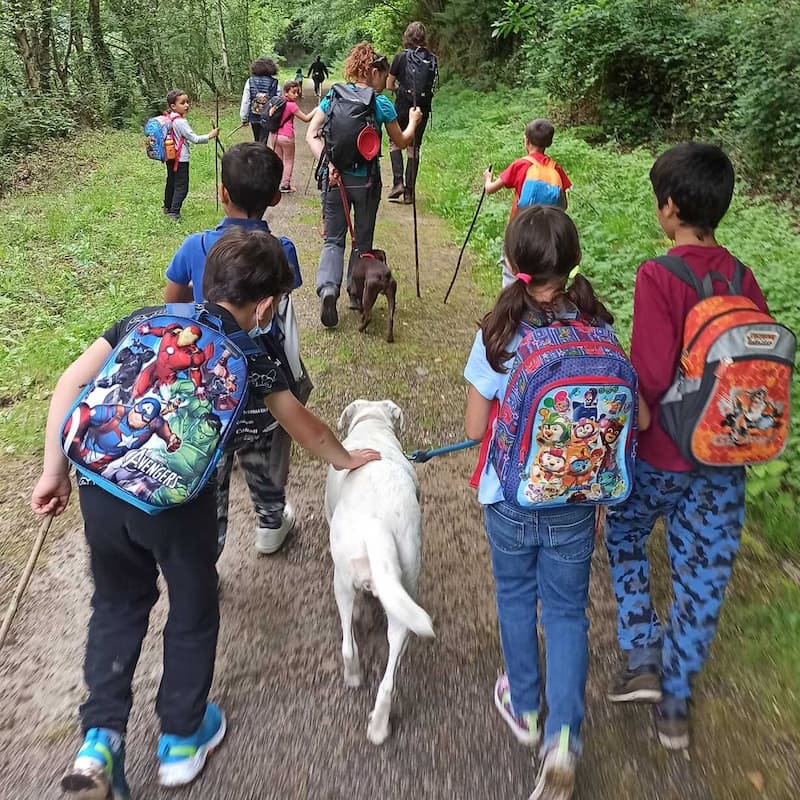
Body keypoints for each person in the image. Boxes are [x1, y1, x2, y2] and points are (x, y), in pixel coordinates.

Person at [32, 228, 380, 799]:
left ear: (204, 280)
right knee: (193, 609)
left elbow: (70, 382)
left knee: (117, 605)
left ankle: (99, 742)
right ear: (265, 305)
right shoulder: (254, 356)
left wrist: (54, 471)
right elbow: (305, 427)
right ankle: (181, 740)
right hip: (175, 505)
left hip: (100, 486)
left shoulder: (141, 320)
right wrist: (346, 458)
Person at [463, 206, 647, 800]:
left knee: (516, 595)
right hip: (577, 501)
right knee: (567, 613)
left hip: (512, 498)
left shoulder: (498, 331)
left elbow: (473, 427)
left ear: (513, 265)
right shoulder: (601, 329)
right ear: (572, 264)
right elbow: (637, 417)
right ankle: (565, 737)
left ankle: (525, 705)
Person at [604, 143, 769, 751]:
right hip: (725, 457)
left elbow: (646, 371)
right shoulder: (741, 276)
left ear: (669, 208)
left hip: (660, 452)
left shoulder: (658, 275)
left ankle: (642, 653)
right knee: (704, 573)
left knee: (624, 536)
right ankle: (676, 702)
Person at [164, 142, 310, 558]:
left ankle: (208, 552)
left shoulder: (194, 245)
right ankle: (270, 523)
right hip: (260, 377)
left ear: (222, 192)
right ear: (275, 197)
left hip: (205, 378)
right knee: (263, 452)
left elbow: (173, 303)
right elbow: (274, 312)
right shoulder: (281, 250)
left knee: (211, 464)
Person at [306, 41, 422, 329]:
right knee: (362, 240)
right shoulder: (379, 102)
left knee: (333, 240)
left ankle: (328, 289)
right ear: (372, 71)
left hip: (335, 181)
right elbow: (402, 141)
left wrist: (330, 164)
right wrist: (414, 121)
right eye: (383, 76)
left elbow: (312, 134)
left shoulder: (332, 96)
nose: (385, 82)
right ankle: (356, 295)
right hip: (366, 182)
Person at [483, 119, 572, 287]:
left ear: (526, 141)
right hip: (546, 233)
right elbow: (563, 205)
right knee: (538, 272)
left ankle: (510, 307)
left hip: (519, 228)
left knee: (512, 270)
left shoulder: (520, 165)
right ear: (549, 143)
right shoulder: (556, 168)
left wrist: (487, 179)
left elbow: (490, 189)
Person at [386, 21, 438, 204]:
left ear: (407, 36)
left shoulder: (400, 57)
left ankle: (398, 182)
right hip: (421, 108)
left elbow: (389, 84)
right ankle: (409, 193)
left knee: (394, 142)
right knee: (413, 148)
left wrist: (399, 89)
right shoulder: (432, 58)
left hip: (402, 106)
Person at [162, 89, 218, 222]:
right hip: (180, 159)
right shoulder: (180, 122)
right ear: (173, 106)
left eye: (187, 102)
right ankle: (175, 213)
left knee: (171, 182)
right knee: (182, 186)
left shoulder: (169, 118)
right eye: (182, 103)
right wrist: (210, 135)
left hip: (170, 157)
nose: (186, 105)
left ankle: (167, 207)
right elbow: (195, 139)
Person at [267, 80, 317, 193]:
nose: (296, 95)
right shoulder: (291, 106)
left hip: (275, 135)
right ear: (286, 92)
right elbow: (306, 119)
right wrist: (316, 110)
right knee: (288, 160)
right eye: (293, 92)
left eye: (297, 93)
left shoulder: (277, 102)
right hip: (287, 136)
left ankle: (275, 183)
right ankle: (285, 185)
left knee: (278, 160)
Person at [239, 57, 279, 142]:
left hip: (254, 115)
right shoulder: (274, 82)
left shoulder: (250, 81)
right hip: (268, 116)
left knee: (256, 138)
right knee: (264, 139)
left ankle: (257, 153)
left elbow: (246, 101)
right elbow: (278, 100)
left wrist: (244, 117)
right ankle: (261, 153)